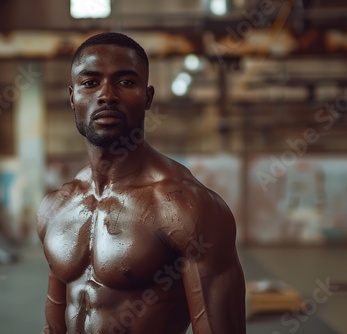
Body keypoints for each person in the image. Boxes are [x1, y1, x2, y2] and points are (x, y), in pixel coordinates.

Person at [37, 32, 246, 334]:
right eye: (90, 82)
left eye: (125, 82)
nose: (107, 95)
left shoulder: (187, 206)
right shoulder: (55, 206)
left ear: (147, 97)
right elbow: (53, 327)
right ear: (72, 97)